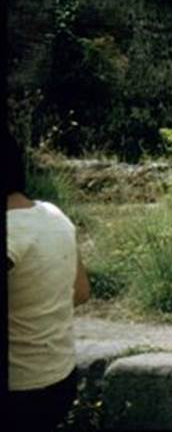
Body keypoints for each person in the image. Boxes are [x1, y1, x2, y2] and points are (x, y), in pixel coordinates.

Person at [7, 130, 90, 431]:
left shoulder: (11, 234)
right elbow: (81, 292)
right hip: (60, 381)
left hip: (18, 393)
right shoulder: (54, 215)